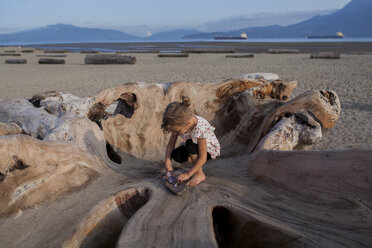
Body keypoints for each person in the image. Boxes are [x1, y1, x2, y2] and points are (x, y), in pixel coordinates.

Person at [161, 96, 220, 186]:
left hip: (209, 150)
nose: (175, 133)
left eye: (177, 131)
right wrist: (168, 163)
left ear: (187, 123)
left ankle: (199, 174)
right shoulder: (181, 122)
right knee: (176, 155)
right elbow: (170, 145)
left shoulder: (200, 129)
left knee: (190, 143)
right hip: (193, 146)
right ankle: (194, 162)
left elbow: (202, 157)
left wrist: (188, 174)